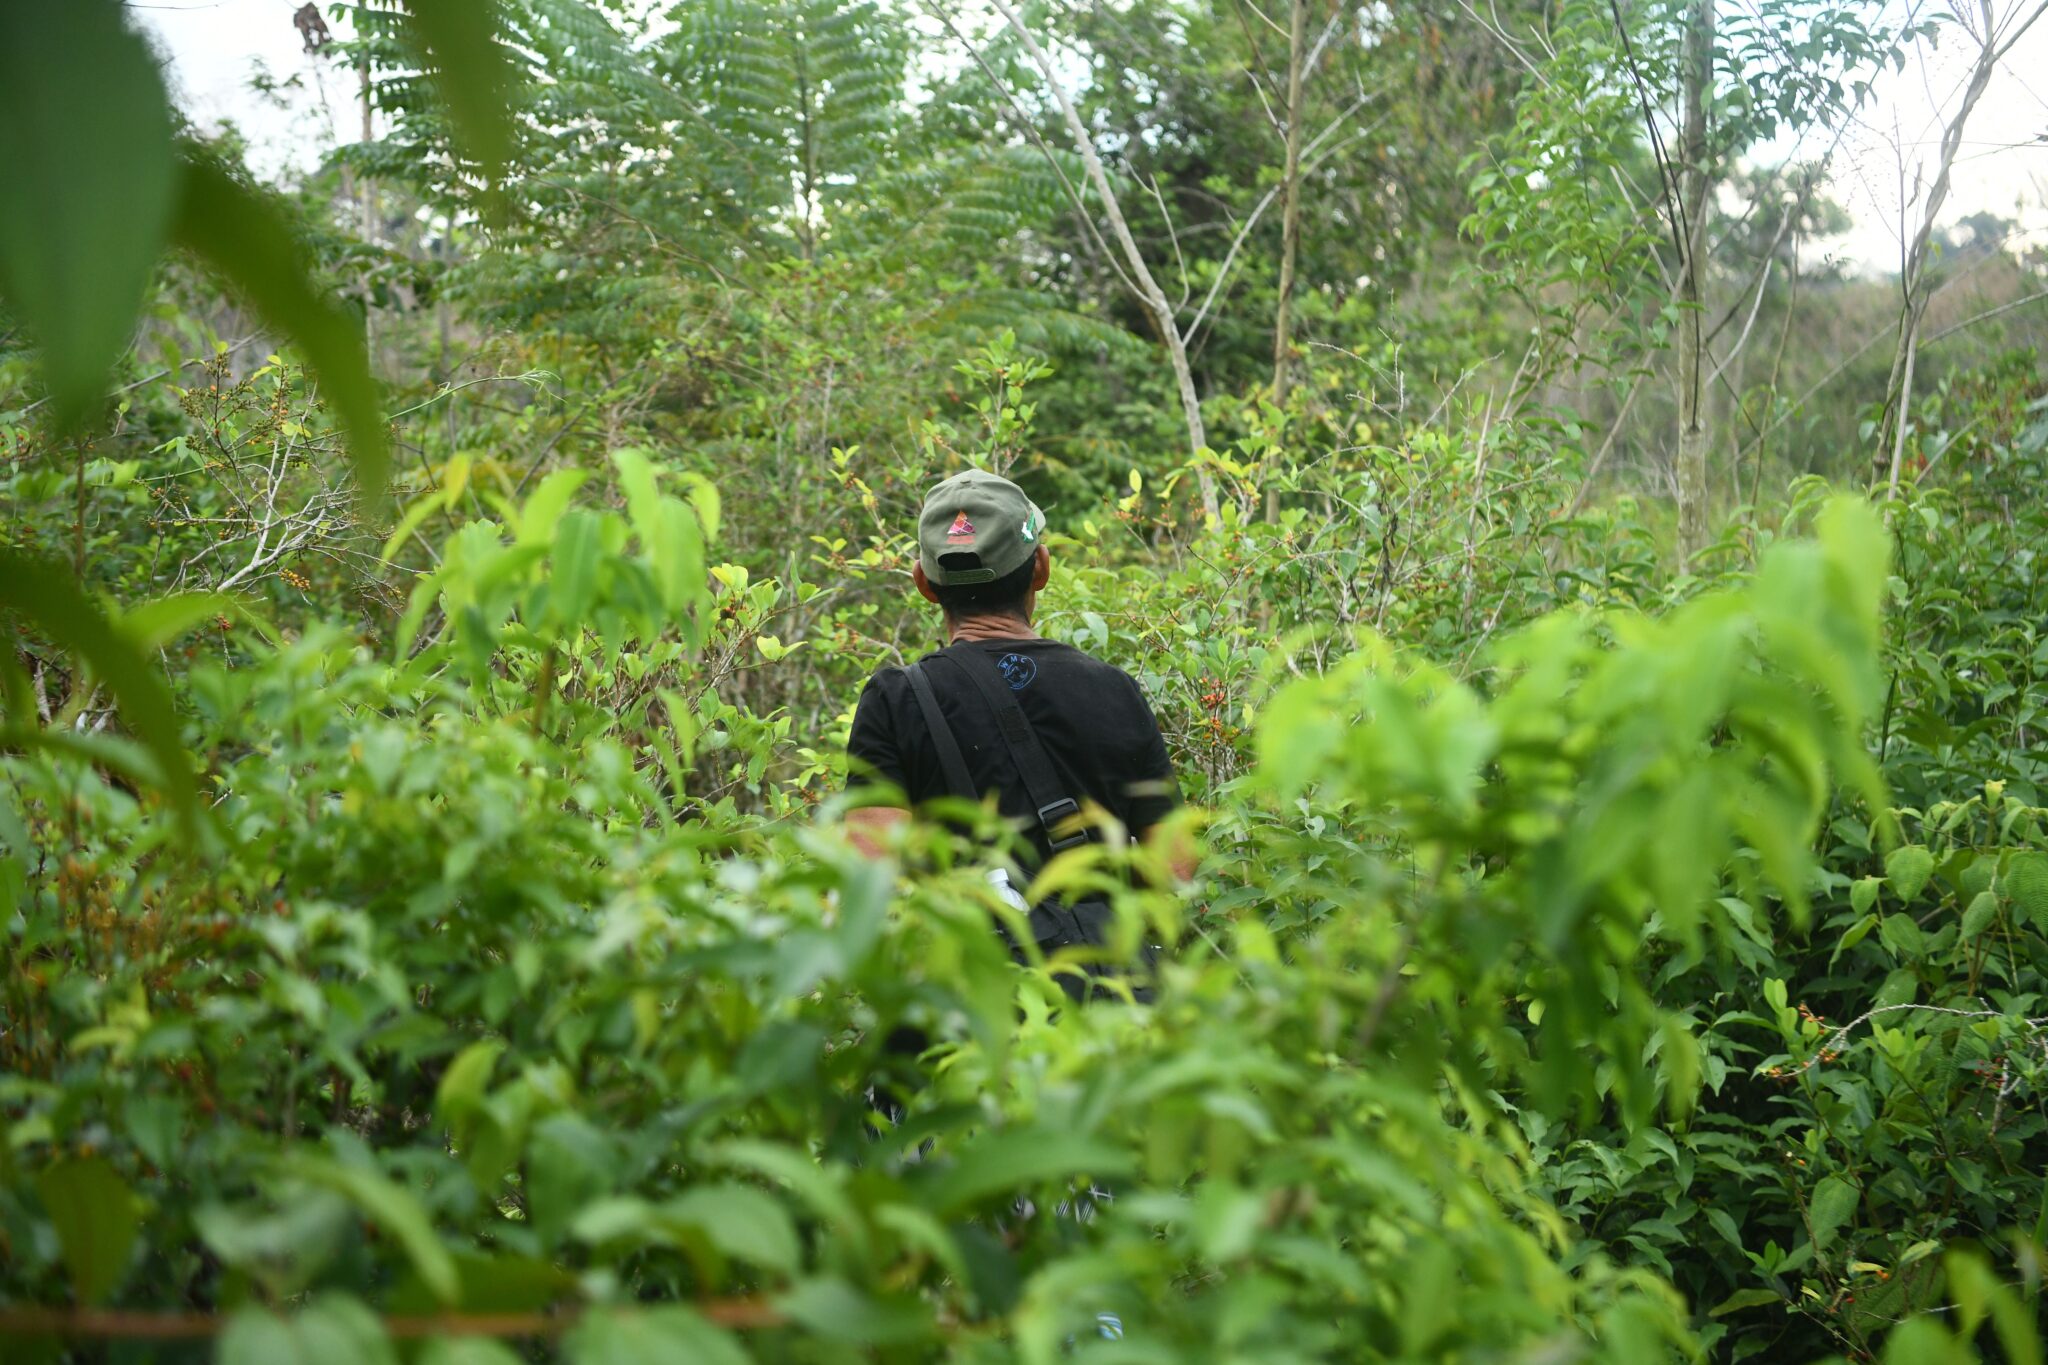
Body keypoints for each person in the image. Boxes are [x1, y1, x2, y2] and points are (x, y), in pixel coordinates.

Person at [843, 468, 1192, 971]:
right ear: (1041, 569)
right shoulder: (1114, 689)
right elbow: (1175, 868)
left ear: (924, 584)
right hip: (1109, 998)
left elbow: (870, 878)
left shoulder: (896, 699)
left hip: (972, 1000)